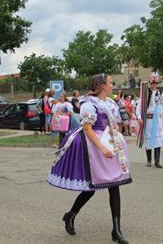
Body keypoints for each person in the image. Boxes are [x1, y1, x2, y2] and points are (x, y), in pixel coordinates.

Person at [47, 73, 131, 244]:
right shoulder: (89, 104)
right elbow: (87, 129)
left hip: (109, 141)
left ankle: (116, 230)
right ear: (101, 86)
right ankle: (71, 214)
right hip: (94, 146)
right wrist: (102, 148)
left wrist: (120, 131)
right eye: (109, 83)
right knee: (91, 187)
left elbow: (115, 123)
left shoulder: (110, 103)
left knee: (114, 185)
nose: (112, 85)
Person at [136, 72, 163, 168]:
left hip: (157, 120)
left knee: (158, 139)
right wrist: (139, 117)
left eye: (155, 83)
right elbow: (139, 106)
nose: (154, 85)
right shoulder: (145, 93)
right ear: (150, 83)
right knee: (148, 138)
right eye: (152, 83)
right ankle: (149, 160)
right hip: (148, 119)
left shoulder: (160, 94)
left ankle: (157, 161)